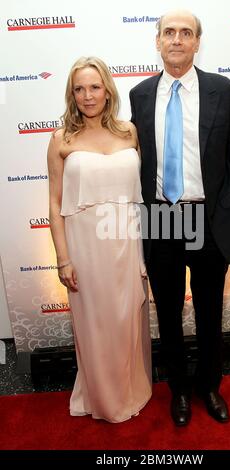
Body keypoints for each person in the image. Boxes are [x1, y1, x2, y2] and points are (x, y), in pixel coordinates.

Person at [130, 10, 230, 426]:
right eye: (169, 33)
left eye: (185, 33)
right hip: (163, 215)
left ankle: (209, 386)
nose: (176, 40)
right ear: (157, 42)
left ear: (197, 42)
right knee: (167, 311)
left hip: (207, 215)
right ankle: (178, 389)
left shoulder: (225, 89)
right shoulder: (140, 95)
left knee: (210, 310)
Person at [47, 56, 152, 423]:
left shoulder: (130, 132)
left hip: (126, 241)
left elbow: (144, 196)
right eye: (79, 89)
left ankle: (130, 389)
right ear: (71, 94)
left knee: (126, 319)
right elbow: (56, 202)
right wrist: (63, 259)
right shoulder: (62, 139)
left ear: (107, 90)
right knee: (95, 323)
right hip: (85, 246)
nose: (87, 96)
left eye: (94, 87)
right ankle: (102, 398)